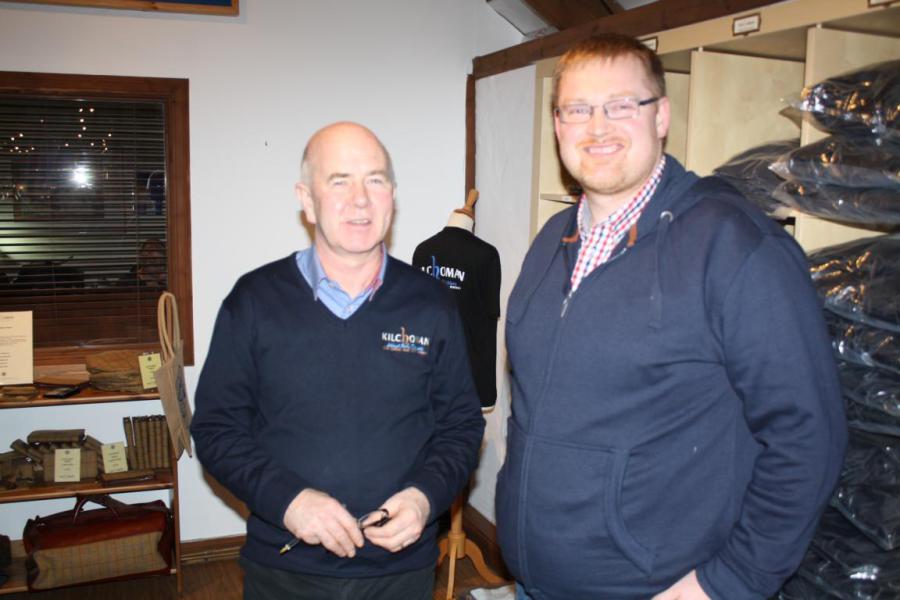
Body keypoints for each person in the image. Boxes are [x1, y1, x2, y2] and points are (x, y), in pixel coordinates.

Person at [495, 34, 847, 600]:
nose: (597, 128)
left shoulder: (734, 245)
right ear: (557, 124)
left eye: (621, 106)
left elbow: (808, 437)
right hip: (534, 583)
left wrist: (728, 582)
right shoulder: (552, 240)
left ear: (660, 116)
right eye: (577, 109)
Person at [191, 121, 485, 600]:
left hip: (400, 570)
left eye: (375, 180)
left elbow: (462, 426)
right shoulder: (254, 301)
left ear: (392, 197)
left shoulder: (432, 304)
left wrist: (423, 497)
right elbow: (215, 429)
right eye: (339, 181)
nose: (360, 199)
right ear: (306, 200)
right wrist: (288, 501)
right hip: (284, 568)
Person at [412, 197, 501, 410]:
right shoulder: (486, 254)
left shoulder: (422, 250)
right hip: (469, 374)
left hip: (433, 369)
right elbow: (491, 313)